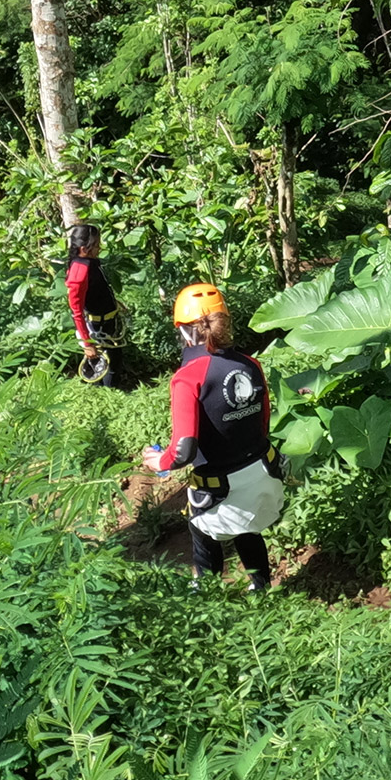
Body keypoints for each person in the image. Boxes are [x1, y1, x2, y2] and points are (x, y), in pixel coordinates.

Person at [145, 284, 284, 591]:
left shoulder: (188, 377)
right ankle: (260, 587)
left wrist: (159, 461)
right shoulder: (251, 364)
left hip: (219, 486)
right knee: (248, 529)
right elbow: (262, 424)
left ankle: (206, 596)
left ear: (183, 330)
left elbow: (182, 450)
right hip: (263, 473)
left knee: (201, 531)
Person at [64, 223, 121, 385]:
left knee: (114, 361)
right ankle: (108, 400)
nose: (99, 248)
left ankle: (110, 398)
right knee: (105, 367)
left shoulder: (90, 262)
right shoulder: (79, 272)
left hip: (107, 320)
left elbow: (97, 288)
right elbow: (76, 311)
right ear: (84, 248)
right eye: (96, 245)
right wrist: (87, 343)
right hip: (98, 327)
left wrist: (114, 302)